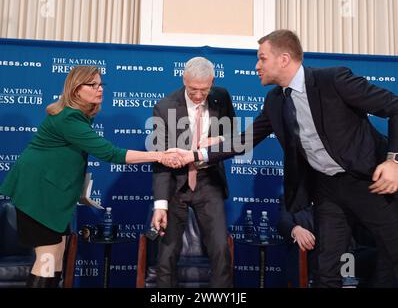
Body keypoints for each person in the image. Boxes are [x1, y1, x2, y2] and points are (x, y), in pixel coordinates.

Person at [178, 29, 398, 287]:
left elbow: (394, 107)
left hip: (369, 181)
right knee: (326, 268)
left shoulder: (334, 80)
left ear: (283, 59)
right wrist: (196, 154)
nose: (257, 66)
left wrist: (393, 160)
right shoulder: (275, 101)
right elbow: (246, 140)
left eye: (262, 58)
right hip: (326, 189)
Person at [0, 66, 182, 288]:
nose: (99, 89)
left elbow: (70, 159)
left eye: (100, 84)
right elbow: (111, 153)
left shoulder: (78, 117)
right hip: (38, 195)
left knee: (55, 255)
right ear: (76, 90)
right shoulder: (69, 119)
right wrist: (160, 156)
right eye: (92, 85)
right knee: (47, 257)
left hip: (51, 195)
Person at [150, 57, 236, 287]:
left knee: (220, 249)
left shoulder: (221, 97)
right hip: (175, 184)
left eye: (204, 90)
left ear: (212, 83)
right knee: (167, 254)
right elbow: (160, 159)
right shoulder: (165, 106)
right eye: (193, 90)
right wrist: (160, 205)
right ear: (184, 80)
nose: (198, 96)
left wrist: (218, 140)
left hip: (208, 181)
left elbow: (235, 140)